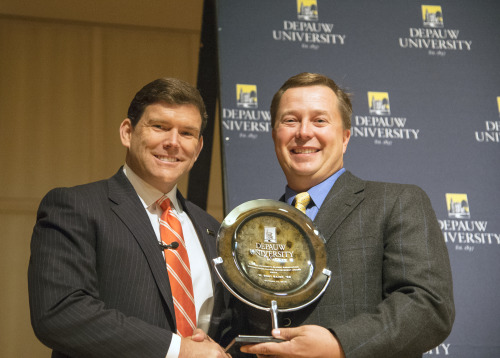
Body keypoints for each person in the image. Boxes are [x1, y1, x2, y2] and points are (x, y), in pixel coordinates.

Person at [239, 72, 455, 357]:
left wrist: (339, 344)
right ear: (274, 135)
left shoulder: (397, 202)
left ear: (345, 137)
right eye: (290, 120)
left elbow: (429, 306)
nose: (303, 132)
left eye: (320, 120)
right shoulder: (250, 229)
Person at [28, 78, 230, 358]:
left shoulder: (213, 228)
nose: (173, 142)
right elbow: (59, 313)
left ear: (198, 148)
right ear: (127, 132)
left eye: (186, 133)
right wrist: (176, 350)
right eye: (160, 127)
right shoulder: (75, 207)